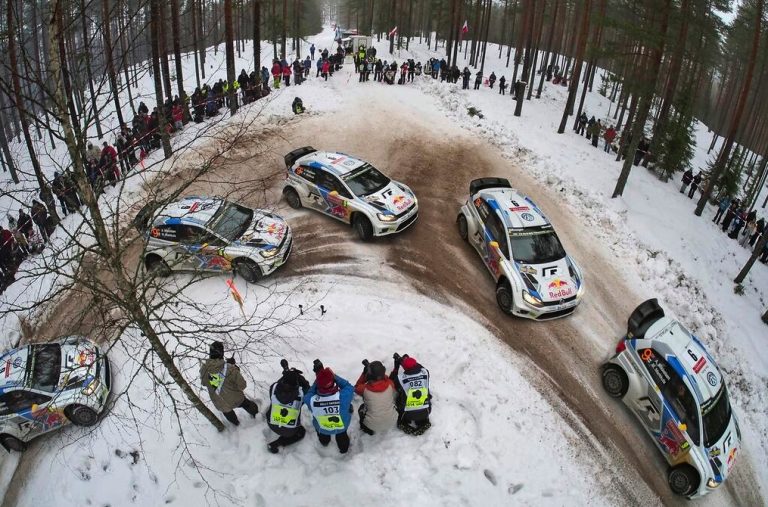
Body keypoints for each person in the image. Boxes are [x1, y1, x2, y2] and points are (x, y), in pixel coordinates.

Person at [199, 341, 259, 426]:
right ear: (222, 353)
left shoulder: (203, 369)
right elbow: (243, 385)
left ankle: (236, 424)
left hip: (219, 402)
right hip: (236, 399)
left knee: (226, 410)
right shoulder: (230, 369)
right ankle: (258, 415)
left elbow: (204, 383)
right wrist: (234, 368)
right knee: (247, 405)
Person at [304, 361, 354, 454]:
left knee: (323, 434)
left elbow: (309, 393)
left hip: (322, 427)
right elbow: (349, 387)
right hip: (341, 427)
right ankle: (344, 449)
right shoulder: (343, 396)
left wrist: (318, 379)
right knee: (342, 436)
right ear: (333, 382)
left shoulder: (310, 400)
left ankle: (324, 442)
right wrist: (334, 376)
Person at [267, 360, 310, 454]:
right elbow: (307, 389)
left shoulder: (273, 389)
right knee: (301, 432)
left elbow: (279, 383)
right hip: (289, 430)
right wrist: (299, 378)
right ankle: (279, 442)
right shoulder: (300, 397)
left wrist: (286, 372)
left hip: (271, 423)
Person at [391, 353, 431, 435]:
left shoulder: (400, 378)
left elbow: (391, 382)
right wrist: (404, 360)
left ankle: (402, 423)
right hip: (426, 411)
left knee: (399, 398)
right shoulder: (425, 372)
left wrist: (396, 368)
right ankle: (424, 422)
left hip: (408, 413)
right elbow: (418, 366)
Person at [354, 360, 397, 436]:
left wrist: (364, 374)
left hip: (372, 424)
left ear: (369, 376)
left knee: (361, 408)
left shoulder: (364, 389)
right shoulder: (390, 384)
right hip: (392, 420)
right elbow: (385, 379)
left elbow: (356, 386)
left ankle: (366, 428)